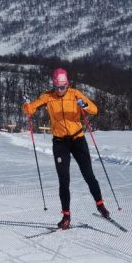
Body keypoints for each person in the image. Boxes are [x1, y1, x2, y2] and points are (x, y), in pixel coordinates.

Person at [21, 67, 110, 229]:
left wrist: (83, 105)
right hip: (60, 142)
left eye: (63, 87)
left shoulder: (75, 94)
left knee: (88, 174)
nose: (60, 90)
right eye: (57, 87)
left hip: (78, 139)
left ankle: (101, 205)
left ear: (67, 85)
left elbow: (94, 110)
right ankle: (66, 216)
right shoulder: (47, 97)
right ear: (54, 85)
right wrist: (27, 106)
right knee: (64, 180)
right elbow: (31, 109)